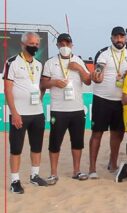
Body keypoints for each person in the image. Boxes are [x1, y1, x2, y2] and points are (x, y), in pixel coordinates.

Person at [41, 33, 91, 184]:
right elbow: (43, 84)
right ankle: (53, 173)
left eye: (67, 44)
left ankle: (77, 171)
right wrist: (54, 82)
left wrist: (79, 69)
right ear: (57, 45)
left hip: (77, 109)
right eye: (61, 44)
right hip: (58, 109)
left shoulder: (78, 61)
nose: (64, 47)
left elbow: (88, 81)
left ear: (72, 45)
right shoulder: (50, 63)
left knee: (77, 142)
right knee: (55, 142)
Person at [3, 32, 48, 193]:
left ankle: (34, 176)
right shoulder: (12, 62)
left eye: (37, 44)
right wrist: (14, 112)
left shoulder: (38, 64)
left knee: (36, 146)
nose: (35, 46)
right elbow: (7, 89)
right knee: (16, 148)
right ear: (23, 44)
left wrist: (41, 99)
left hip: (37, 113)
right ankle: (15, 181)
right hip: (19, 113)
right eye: (32, 43)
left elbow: (39, 86)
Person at [89, 26, 127, 178]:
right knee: (97, 134)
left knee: (118, 135)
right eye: (116, 37)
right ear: (111, 38)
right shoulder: (104, 54)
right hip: (102, 99)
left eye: (122, 37)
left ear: (125, 38)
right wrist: (97, 74)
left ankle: (113, 163)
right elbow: (99, 69)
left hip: (120, 101)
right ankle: (92, 169)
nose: (119, 40)